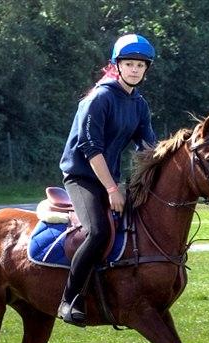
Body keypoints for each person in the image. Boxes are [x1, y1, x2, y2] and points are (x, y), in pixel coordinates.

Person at [57, 34, 157, 326]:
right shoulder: (99, 98)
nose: (135, 69)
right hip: (83, 177)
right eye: (129, 63)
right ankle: (70, 299)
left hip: (108, 179)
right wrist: (112, 189)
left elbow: (148, 149)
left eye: (140, 65)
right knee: (98, 232)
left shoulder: (138, 104)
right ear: (117, 65)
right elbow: (91, 149)